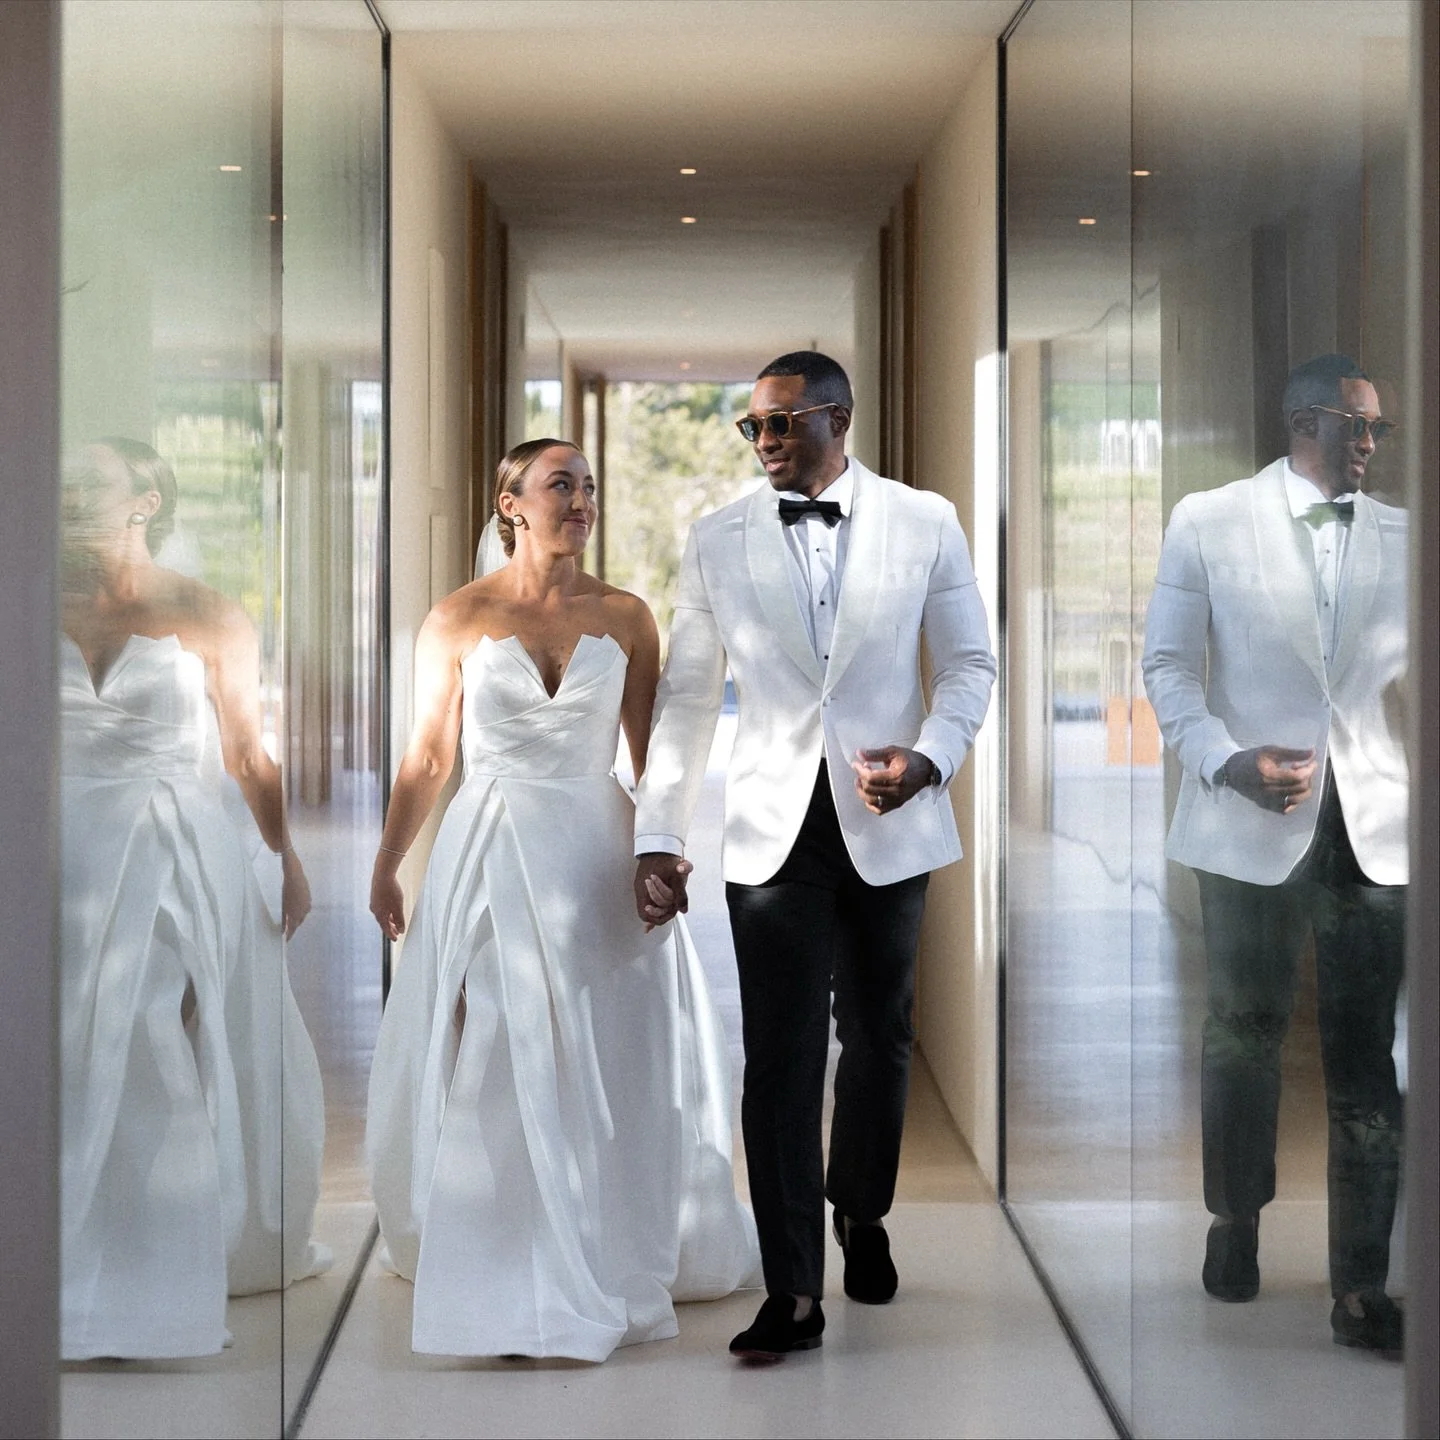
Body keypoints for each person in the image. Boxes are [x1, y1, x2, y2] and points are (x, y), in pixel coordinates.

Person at [632, 352, 996, 1360]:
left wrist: (928, 758)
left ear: (837, 418)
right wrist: (660, 832)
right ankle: (792, 1288)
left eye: (780, 425)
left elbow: (969, 663)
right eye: (751, 428)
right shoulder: (717, 539)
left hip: (892, 818)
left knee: (880, 1039)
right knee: (780, 1059)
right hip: (770, 833)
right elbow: (690, 696)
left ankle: (861, 1210)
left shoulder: (926, 520)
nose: (762, 443)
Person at [366, 438, 759, 1362]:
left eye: (588, 485)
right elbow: (429, 755)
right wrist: (387, 863)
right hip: (494, 844)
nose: (581, 499)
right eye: (560, 485)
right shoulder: (456, 619)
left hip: (596, 847)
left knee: (610, 1048)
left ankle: (602, 1236)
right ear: (511, 503)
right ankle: (509, 1262)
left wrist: (665, 851)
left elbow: (656, 756)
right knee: (500, 1035)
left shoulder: (626, 616)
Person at [1141, 353, 1408, 1354]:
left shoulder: (1403, 536)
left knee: (1365, 1057)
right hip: (1246, 819)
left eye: (1378, 429)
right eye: (1357, 427)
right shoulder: (1209, 520)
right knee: (1244, 1035)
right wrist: (1224, 759)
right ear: (1305, 424)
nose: (1371, 445)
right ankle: (1235, 1221)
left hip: (1373, 830)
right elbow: (1168, 664)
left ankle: (1359, 1287)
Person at [59, 438, 328, 1360]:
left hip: (172, 843)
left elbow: (248, 753)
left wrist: (282, 853)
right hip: (55, 854)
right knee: (57, 1043)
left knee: (152, 1030)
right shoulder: (27, 598)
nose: (64, 491)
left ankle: (149, 1251)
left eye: (85, 477)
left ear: (146, 498)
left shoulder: (207, 611)